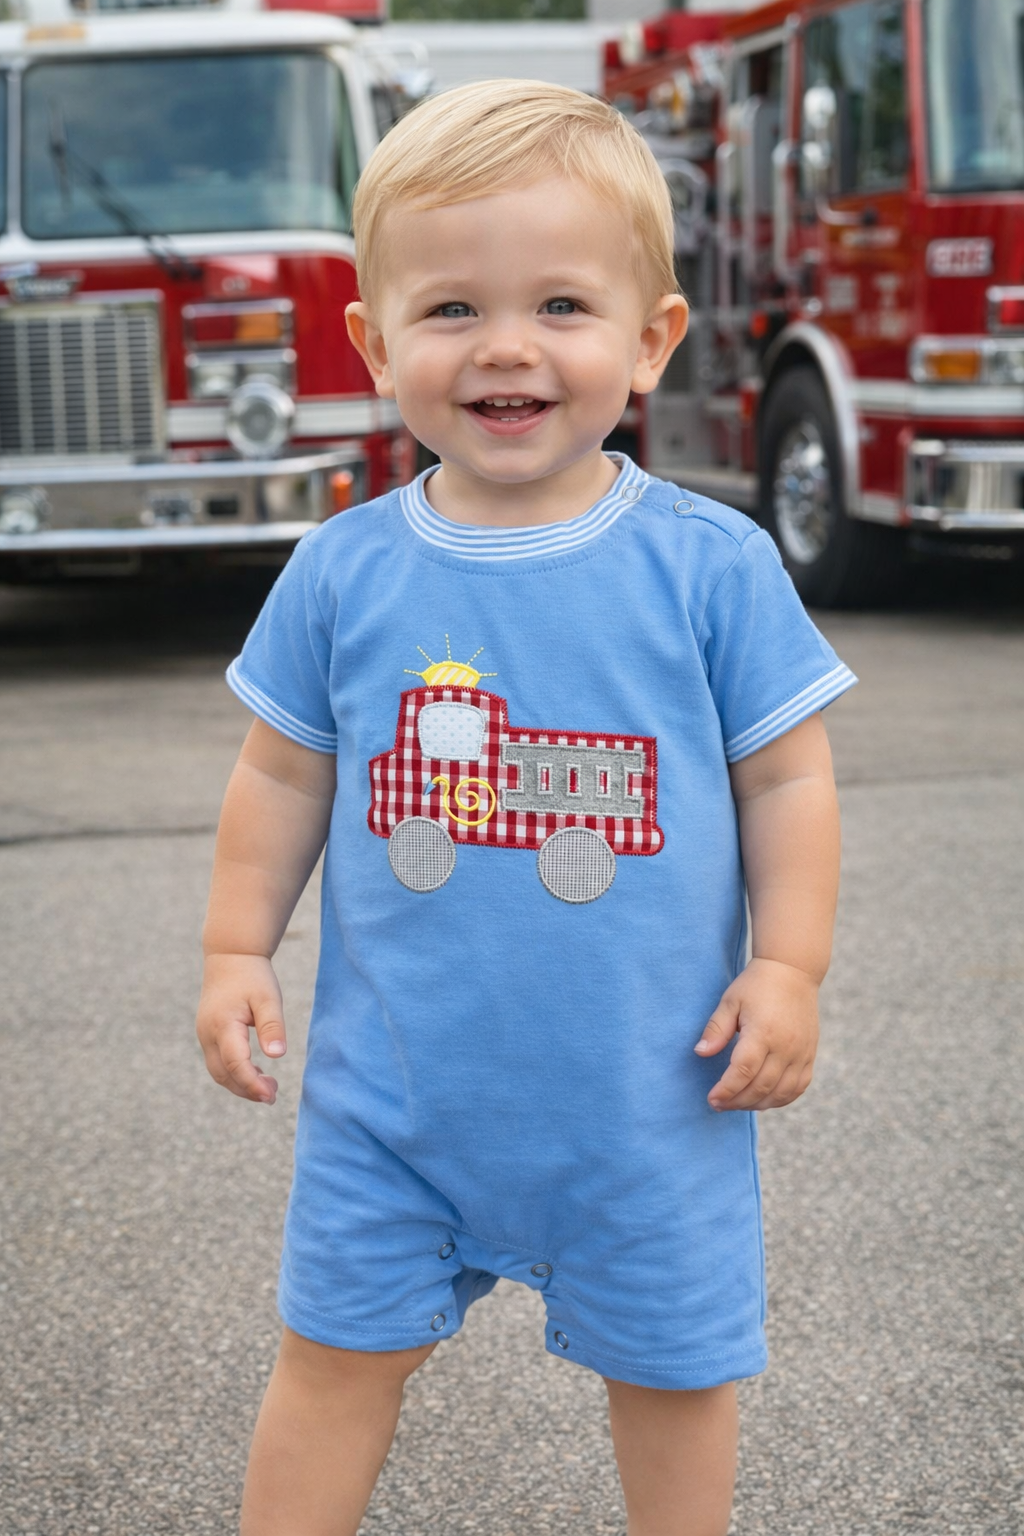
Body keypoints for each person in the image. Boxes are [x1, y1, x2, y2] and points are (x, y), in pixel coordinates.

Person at [195, 79, 856, 1536]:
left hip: (648, 1103)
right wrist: (236, 948)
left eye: (562, 304)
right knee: (330, 1363)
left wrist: (789, 964)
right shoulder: (343, 571)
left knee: (678, 1378)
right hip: (395, 1107)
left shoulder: (711, 565)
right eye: (450, 311)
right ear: (375, 345)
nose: (506, 347)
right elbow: (283, 771)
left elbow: (787, 777)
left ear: (651, 337)